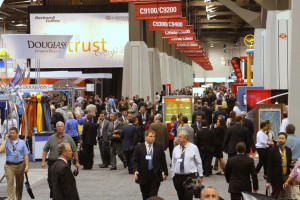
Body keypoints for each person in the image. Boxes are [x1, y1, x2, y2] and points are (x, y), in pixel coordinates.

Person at [42, 121, 80, 198]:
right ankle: (54, 195)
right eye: (58, 126)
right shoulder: (51, 138)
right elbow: (45, 149)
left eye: (61, 126)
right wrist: (43, 161)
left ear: (64, 128)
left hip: (64, 163)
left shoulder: (68, 138)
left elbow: (75, 150)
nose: (60, 128)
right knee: (51, 181)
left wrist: (77, 161)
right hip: (52, 163)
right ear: (56, 128)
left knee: (65, 181)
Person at [132, 130, 168, 200]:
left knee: (153, 195)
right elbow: (134, 160)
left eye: (154, 136)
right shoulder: (138, 147)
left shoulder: (159, 147)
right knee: (145, 195)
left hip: (155, 175)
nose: (152, 138)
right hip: (143, 175)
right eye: (150, 136)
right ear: (145, 137)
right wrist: (135, 170)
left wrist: (165, 172)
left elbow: (163, 160)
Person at [172, 129, 204, 200]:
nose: (178, 139)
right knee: (180, 197)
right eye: (178, 137)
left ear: (185, 138)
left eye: (180, 137)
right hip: (178, 177)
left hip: (190, 177)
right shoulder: (176, 149)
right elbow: (173, 163)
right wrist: (173, 175)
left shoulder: (193, 148)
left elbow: (198, 162)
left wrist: (200, 175)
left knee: (188, 197)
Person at [0, 127, 30, 200]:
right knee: (10, 185)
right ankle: (11, 199)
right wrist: (6, 139)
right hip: (9, 166)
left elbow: (26, 154)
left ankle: (19, 198)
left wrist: (27, 166)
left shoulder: (22, 142)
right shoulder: (7, 141)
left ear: (17, 134)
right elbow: (1, 150)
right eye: (11, 133)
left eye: (13, 133)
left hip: (20, 165)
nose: (12, 134)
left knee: (19, 185)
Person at [266, 132, 292, 199]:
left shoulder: (289, 150)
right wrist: (268, 181)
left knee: (288, 195)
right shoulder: (272, 151)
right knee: (276, 195)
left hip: (286, 176)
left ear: (286, 140)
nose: (280, 140)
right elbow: (269, 166)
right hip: (276, 177)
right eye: (279, 138)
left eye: (282, 138)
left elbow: (289, 163)